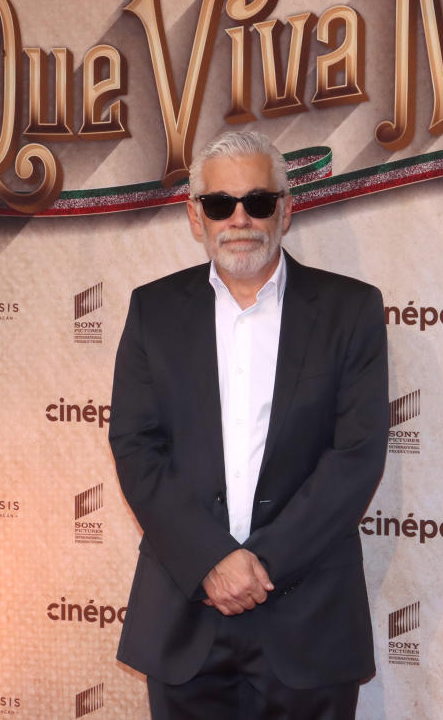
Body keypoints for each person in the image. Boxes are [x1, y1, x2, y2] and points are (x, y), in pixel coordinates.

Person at [109, 130, 389, 719]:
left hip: (308, 614)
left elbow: (356, 455)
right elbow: (136, 447)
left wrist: (260, 568)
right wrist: (210, 559)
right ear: (195, 215)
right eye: (220, 204)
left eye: (259, 202)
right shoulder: (152, 311)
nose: (240, 219)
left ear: (286, 210)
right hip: (185, 611)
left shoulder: (350, 310)